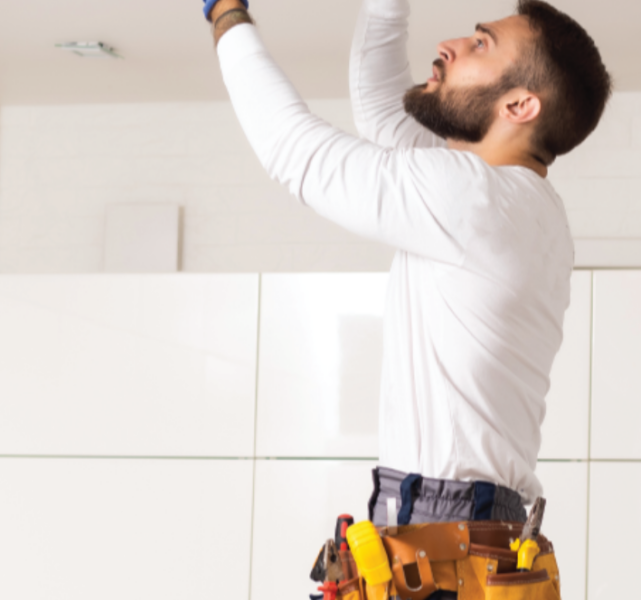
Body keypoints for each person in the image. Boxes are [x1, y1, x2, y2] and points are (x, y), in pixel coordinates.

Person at [203, 0, 612, 597]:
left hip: (443, 534)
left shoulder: (477, 201)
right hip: (456, 535)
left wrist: (225, 15)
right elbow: (377, 105)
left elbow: (297, 153)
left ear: (520, 105)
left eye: (480, 43)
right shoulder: (515, 205)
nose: (451, 45)